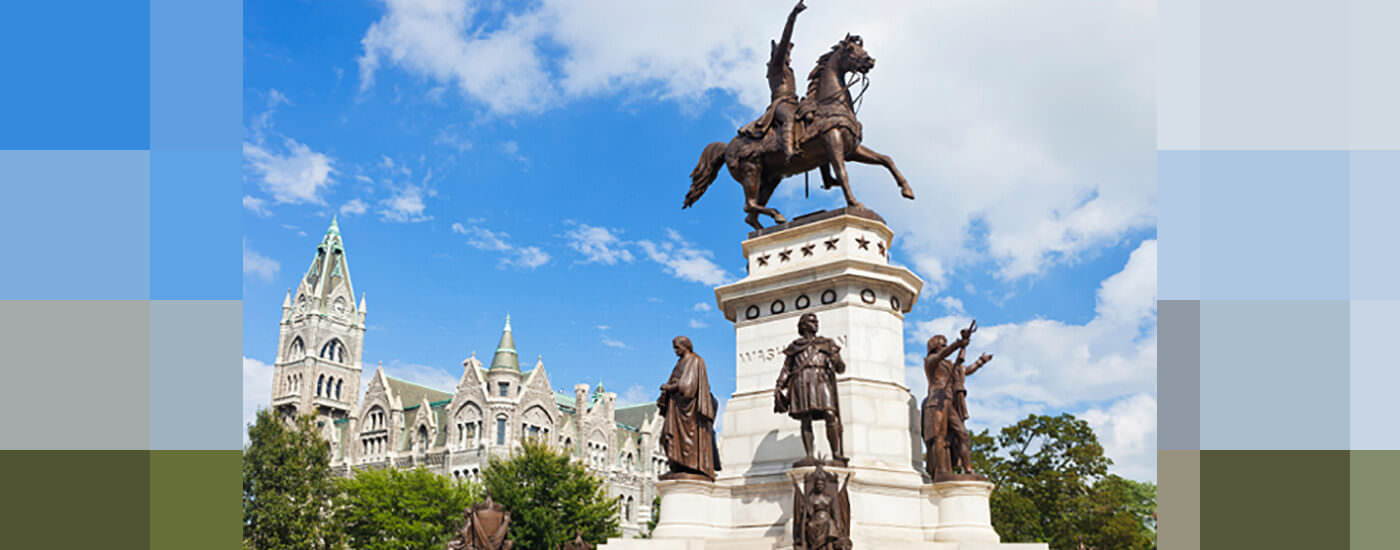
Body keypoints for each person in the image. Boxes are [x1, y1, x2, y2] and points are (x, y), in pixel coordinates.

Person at [775, 313, 847, 465]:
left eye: (816, 321)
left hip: (821, 380)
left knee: (829, 413)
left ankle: (836, 454)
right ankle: (809, 455)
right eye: (812, 322)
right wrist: (779, 385)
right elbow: (787, 369)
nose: (816, 324)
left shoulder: (827, 343)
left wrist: (836, 360)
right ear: (803, 325)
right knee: (805, 417)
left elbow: (841, 368)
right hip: (802, 381)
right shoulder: (795, 347)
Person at [738, 0, 806, 160]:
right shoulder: (776, 66)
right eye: (786, 53)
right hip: (781, 103)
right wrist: (792, 17)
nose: (788, 56)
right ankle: (788, 151)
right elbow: (785, 37)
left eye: (789, 54)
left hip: (793, 101)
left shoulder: (789, 70)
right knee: (788, 118)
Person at [658, 336, 720, 479]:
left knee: (688, 441)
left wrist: (670, 387)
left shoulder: (695, 360)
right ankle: (677, 465)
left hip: (689, 411)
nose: (675, 351)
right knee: (666, 437)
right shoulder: (679, 363)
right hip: (675, 408)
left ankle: (690, 466)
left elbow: (688, 387)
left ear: (685, 346)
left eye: (677, 347)